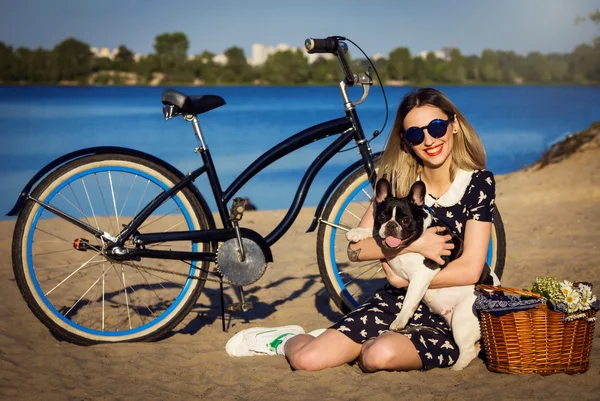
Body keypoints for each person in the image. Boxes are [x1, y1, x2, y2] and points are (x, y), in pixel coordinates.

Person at [225, 87, 497, 372]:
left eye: (437, 127)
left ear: (453, 125)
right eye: (416, 134)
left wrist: (406, 280)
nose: (429, 139)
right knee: (307, 360)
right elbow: (355, 249)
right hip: (396, 302)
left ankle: (357, 344)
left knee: (376, 356)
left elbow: (470, 269)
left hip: (452, 311)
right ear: (406, 142)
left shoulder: (478, 183)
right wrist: (415, 245)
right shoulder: (398, 181)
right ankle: (287, 339)